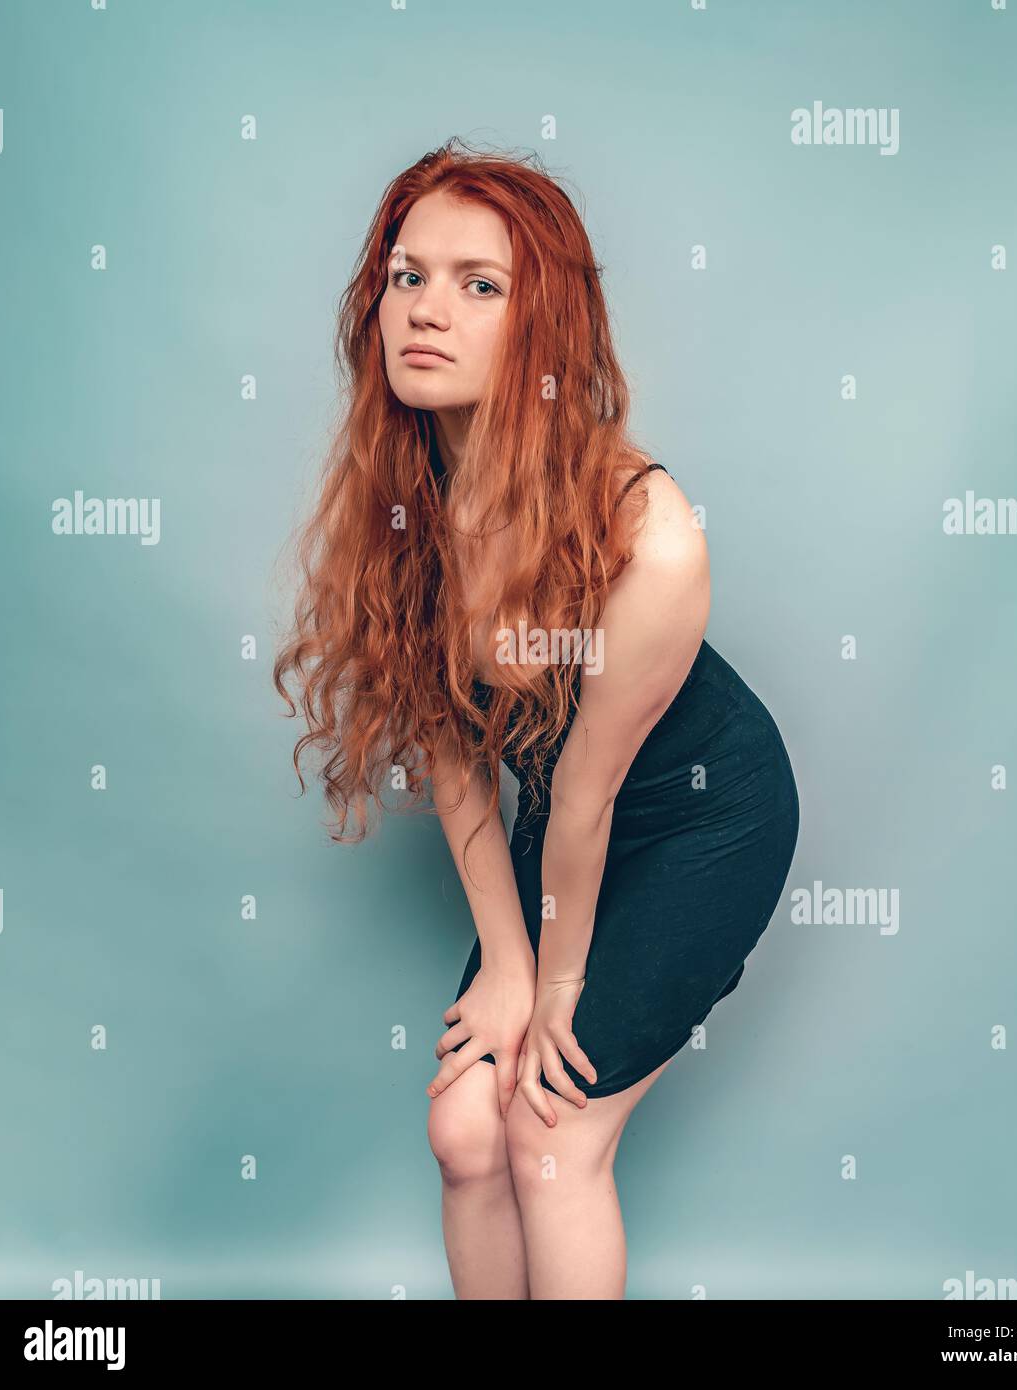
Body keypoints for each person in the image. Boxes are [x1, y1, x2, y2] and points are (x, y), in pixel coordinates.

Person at [273, 138, 800, 1300]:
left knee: (550, 1137)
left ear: (542, 325)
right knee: (467, 1131)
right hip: (566, 815)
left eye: (479, 284)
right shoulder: (408, 498)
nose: (427, 311)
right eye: (407, 277)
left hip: (698, 821)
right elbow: (456, 748)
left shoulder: (647, 531)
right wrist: (507, 963)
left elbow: (588, 794)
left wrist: (552, 990)